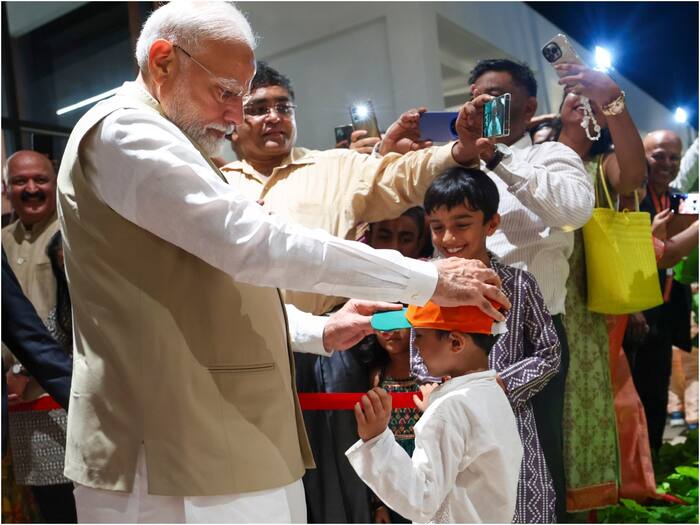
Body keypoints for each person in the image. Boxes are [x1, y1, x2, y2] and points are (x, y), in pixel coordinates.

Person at [56, 3, 509, 522]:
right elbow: (252, 245)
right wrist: (426, 279)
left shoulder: (172, 140)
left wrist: (321, 329)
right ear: (163, 62)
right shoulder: (127, 133)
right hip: (171, 449)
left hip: (219, 432)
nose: (234, 116)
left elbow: (202, 289)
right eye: (227, 93)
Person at [222, 61, 483, 316]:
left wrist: (460, 150)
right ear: (233, 125)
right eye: (259, 109)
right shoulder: (218, 183)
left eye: (283, 107)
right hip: (246, 339)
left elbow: (402, 176)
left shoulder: (338, 166)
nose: (275, 117)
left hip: (334, 337)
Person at [459, 58, 593, 520]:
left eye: (496, 95)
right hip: (459, 330)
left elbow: (573, 211)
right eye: (475, 94)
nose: (483, 104)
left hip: (532, 334)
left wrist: (499, 156)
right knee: (467, 460)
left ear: (530, 105)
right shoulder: (457, 164)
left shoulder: (550, 156)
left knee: (532, 458)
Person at [412, 167, 560, 522]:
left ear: (491, 224)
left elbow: (549, 353)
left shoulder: (519, 283)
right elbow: (418, 355)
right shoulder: (424, 284)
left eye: (462, 224)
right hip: (449, 420)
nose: (448, 237)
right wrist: (438, 388)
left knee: (518, 501)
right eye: (437, 227)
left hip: (510, 419)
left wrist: (500, 385)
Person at [556, 63, 647, 512]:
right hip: (515, 317)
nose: (582, 100)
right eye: (574, 94)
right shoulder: (525, 159)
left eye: (592, 99)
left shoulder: (600, 167)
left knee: (577, 433)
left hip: (579, 318)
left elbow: (633, 175)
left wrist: (614, 101)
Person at [298, 207, 427, 524]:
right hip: (387, 482)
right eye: (384, 235)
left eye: (406, 237)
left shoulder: (433, 371)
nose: (394, 246)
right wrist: (378, 503)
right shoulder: (372, 372)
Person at [345, 301, 522, 523]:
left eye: (419, 335)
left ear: (455, 343)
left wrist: (375, 440)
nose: (415, 345)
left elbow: (421, 500)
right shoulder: (491, 393)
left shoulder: (449, 410)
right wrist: (438, 404)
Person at [1, 150, 76, 523]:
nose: (31, 189)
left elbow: (77, 318)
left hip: (63, 399)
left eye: (40, 180)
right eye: (20, 181)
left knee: (75, 505)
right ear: (6, 188)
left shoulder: (76, 233)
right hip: (14, 412)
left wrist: (25, 371)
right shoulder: (1, 239)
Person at [631, 130, 695, 454]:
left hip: (667, 313)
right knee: (634, 401)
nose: (666, 163)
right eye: (658, 155)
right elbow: (622, 260)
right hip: (636, 313)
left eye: (673, 157)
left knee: (656, 397)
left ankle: (651, 475)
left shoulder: (680, 201)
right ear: (641, 155)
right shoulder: (629, 200)